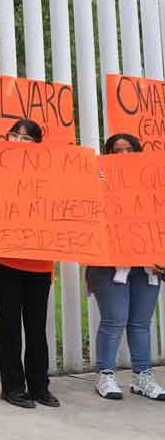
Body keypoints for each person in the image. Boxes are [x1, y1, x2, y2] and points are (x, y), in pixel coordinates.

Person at [0, 119, 59, 409]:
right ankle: (13, 387)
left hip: (40, 263)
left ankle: (40, 386)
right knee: (10, 326)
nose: (18, 141)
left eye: (26, 138)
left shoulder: (53, 173)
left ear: (37, 144)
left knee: (37, 328)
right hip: (6, 261)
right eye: (14, 135)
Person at [88, 133, 165, 401]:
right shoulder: (96, 182)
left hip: (146, 266)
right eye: (116, 150)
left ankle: (142, 376)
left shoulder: (153, 184)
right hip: (110, 265)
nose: (123, 155)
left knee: (141, 323)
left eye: (129, 149)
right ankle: (105, 374)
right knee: (114, 319)